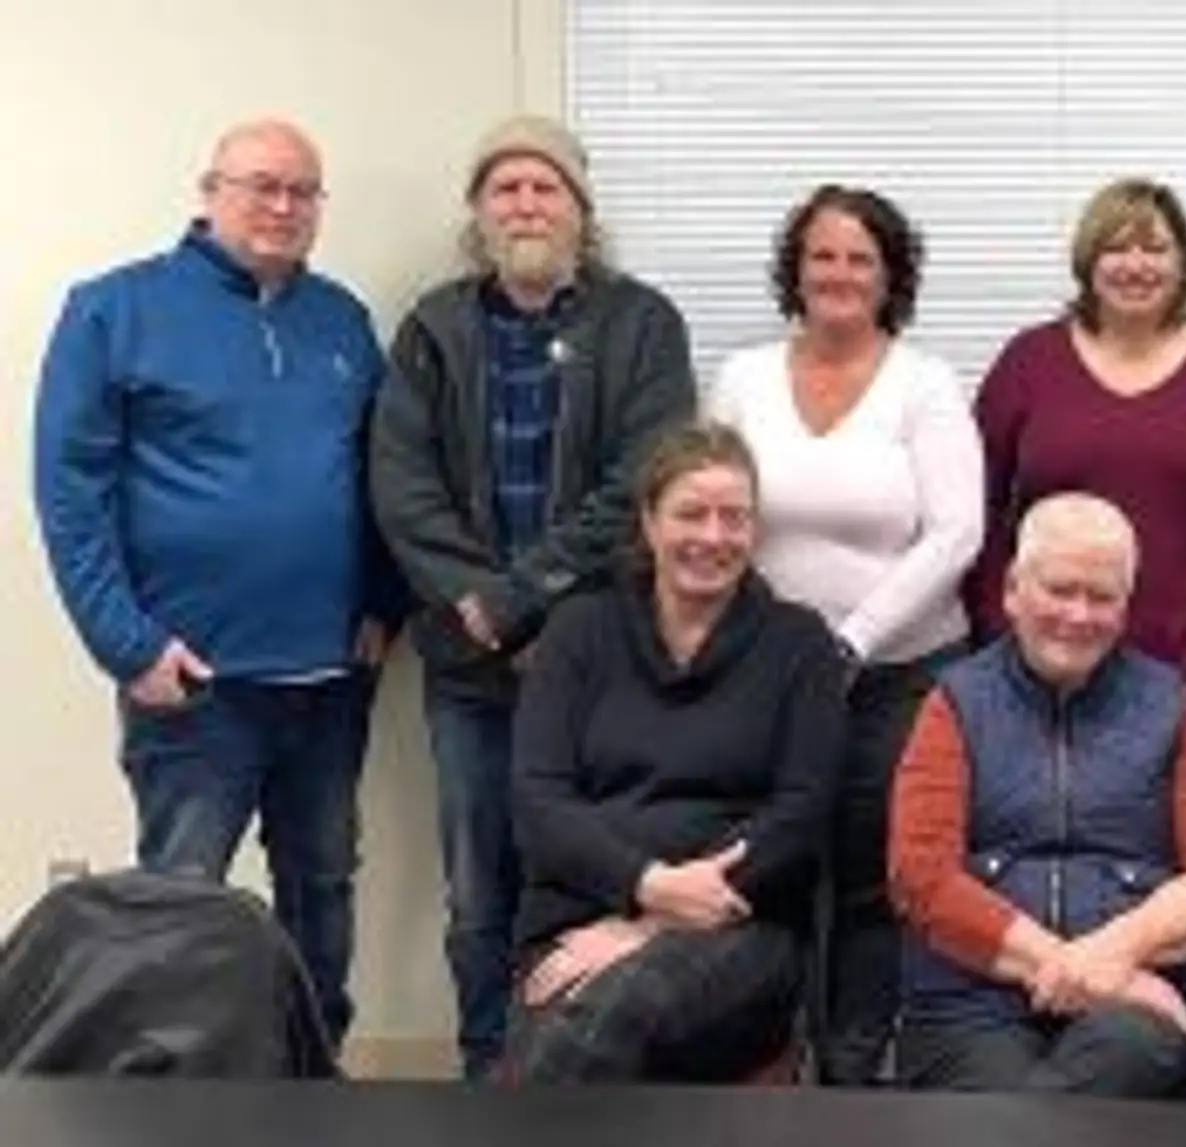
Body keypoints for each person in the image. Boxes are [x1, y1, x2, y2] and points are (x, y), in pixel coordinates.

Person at [31, 118, 405, 1049]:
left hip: (327, 679)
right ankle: (179, 1097)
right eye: (262, 185)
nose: (283, 207)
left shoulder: (342, 321)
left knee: (323, 890)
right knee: (181, 907)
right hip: (192, 681)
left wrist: (382, 602)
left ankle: (317, 1081)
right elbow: (70, 494)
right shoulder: (113, 309)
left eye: (303, 191)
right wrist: (127, 643)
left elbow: (386, 473)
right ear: (209, 191)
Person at [371, 114, 696, 1078]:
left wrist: (522, 602)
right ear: (478, 211)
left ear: (579, 209)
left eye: (544, 186)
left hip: (599, 657)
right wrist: (483, 609)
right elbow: (402, 485)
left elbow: (644, 478)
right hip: (468, 668)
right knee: (479, 885)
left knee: (595, 874)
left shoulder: (641, 324)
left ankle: (575, 1063)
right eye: (504, 187)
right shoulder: (433, 326)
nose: (525, 203)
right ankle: (486, 1070)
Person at [709, 184, 982, 1086]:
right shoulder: (743, 378)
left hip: (899, 676)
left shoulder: (925, 382)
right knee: (771, 873)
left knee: (870, 885)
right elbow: (710, 512)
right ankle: (770, 1067)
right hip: (764, 676)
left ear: (890, 275)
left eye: (860, 258)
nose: (839, 274)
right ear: (795, 268)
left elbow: (957, 532)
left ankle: (857, 1079)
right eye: (822, 255)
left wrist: (853, 639)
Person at [499, 421, 848, 1083]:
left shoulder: (799, 644)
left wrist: (651, 922)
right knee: (558, 1032)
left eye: (734, 517)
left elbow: (800, 814)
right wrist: (643, 885)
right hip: (578, 921)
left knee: (612, 1013)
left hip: (742, 932)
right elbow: (539, 801)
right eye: (691, 513)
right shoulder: (579, 631)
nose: (713, 537)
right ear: (649, 521)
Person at [890, 493, 1186, 1100]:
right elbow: (922, 879)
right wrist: (1075, 969)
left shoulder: (1171, 704)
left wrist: (1116, 955)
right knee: (1003, 1099)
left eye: (1102, 596)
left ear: (1126, 606)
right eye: (1060, 589)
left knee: (1109, 1067)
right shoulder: (953, 702)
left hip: (1130, 1008)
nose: (1079, 614)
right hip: (969, 1004)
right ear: (1013, 590)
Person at [967, 177, 1186, 741]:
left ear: (1183, 261)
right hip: (1050, 659)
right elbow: (980, 502)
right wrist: (999, 621)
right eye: (1117, 247)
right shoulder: (1029, 362)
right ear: (1089, 259)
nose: (1136, 265)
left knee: (1185, 824)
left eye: (1155, 248)